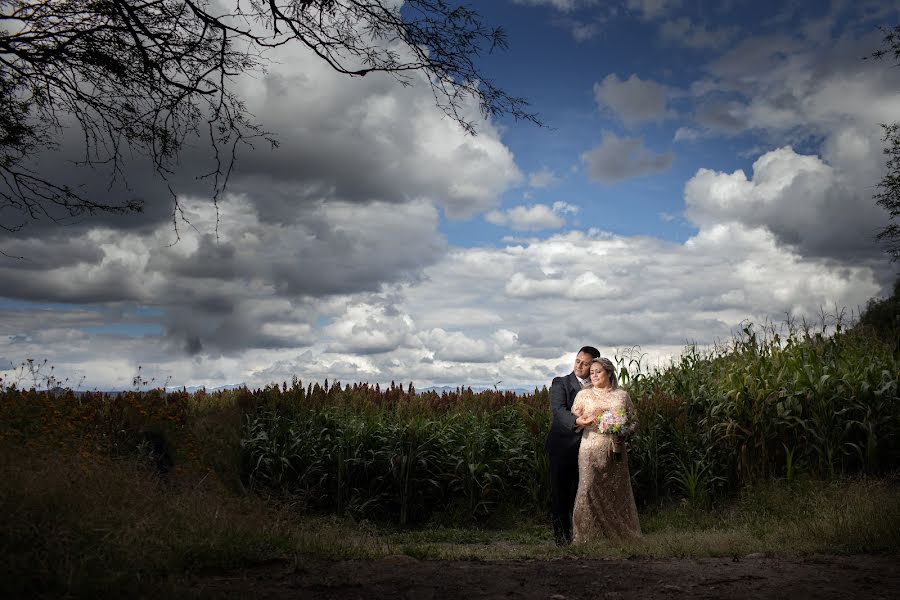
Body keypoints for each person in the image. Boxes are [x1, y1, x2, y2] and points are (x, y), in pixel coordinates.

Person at [570, 356, 641, 543]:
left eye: (598, 371)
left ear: (609, 372)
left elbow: (634, 421)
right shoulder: (583, 395)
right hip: (590, 448)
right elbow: (575, 420)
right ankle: (586, 537)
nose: (593, 375)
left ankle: (617, 535)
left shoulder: (622, 395)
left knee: (616, 490)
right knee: (587, 488)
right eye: (591, 372)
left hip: (615, 449)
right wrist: (584, 420)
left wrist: (624, 432)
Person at [546, 345, 600, 545]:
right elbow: (559, 411)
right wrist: (577, 421)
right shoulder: (560, 383)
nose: (580, 366)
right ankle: (562, 539)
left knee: (584, 493)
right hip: (562, 448)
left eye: (585, 364)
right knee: (561, 494)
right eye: (578, 361)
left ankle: (583, 537)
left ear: (593, 365)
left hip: (588, 449)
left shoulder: (598, 387)